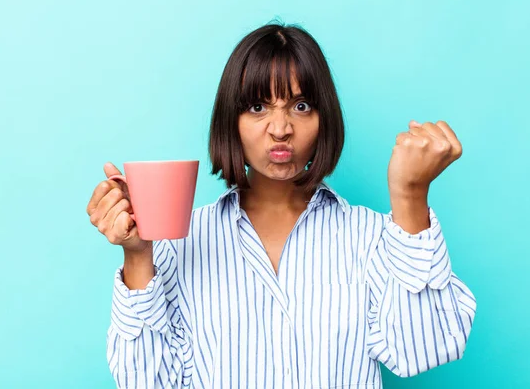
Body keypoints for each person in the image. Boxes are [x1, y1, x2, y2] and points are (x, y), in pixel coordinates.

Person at [87, 22, 477, 389]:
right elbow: (148, 382)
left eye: (301, 106)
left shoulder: (371, 238)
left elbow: (422, 351)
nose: (280, 128)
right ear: (231, 120)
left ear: (325, 119)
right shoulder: (180, 243)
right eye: (258, 107)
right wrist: (137, 256)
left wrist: (410, 196)